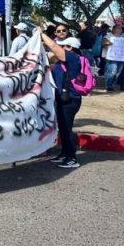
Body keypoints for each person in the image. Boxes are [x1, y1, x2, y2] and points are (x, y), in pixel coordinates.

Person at [40, 31, 83, 168]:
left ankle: (72, 158)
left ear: (72, 48)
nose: (62, 48)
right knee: (63, 128)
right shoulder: (63, 61)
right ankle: (65, 154)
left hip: (70, 99)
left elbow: (53, 46)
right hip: (63, 98)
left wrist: (41, 34)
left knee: (67, 128)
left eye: (65, 46)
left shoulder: (73, 58)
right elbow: (49, 58)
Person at [103, 25, 124, 92]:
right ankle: (108, 86)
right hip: (111, 58)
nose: (120, 30)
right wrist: (109, 43)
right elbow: (104, 43)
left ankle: (112, 85)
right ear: (113, 29)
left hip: (120, 58)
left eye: (121, 29)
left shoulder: (123, 38)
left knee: (117, 72)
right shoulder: (109, 36)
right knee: (112, 71)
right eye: (118, 28)